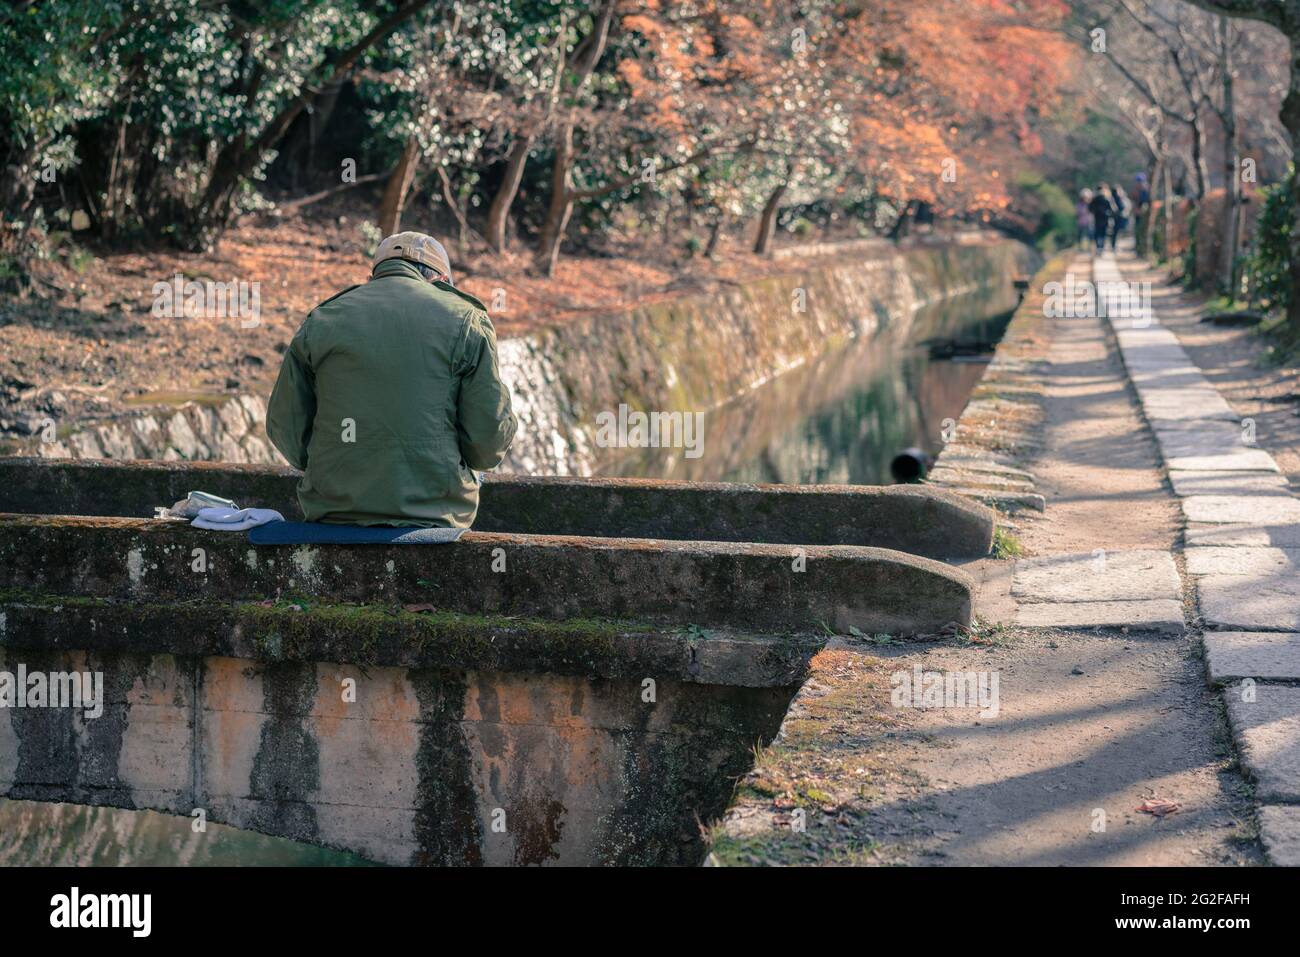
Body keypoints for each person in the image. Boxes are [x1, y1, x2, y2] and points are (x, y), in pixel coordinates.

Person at [267, 231, 518, 527]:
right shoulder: (466, 320)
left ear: (375, 275)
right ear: (441, 280)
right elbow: (488, 442)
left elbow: (285, 428)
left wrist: (334, 467)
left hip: (334, 511)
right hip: (435, 514)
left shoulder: (323, 319)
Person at [1088, 185, 1114, 252]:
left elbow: (1090, 209)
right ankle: (1100, 247)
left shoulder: (1099, 199)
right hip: (1100, 219)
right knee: (1102, 233)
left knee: (1099, 233)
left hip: (1100, 219)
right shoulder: (1104, 199)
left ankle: (1100, 247)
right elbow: (1112, 210)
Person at [1110, 184, 1131, 250]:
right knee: (1116, 232)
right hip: (1116, 218)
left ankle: (1116, 245)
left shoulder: (1123, 198)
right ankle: (1114, 245)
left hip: (1122, 217)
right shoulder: (1114, 198)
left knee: (1120, 232)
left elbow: (1127, 207)